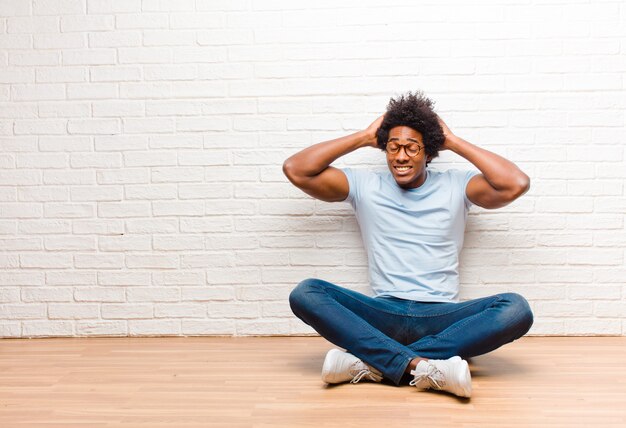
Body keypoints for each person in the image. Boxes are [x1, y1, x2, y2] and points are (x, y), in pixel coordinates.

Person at [282, 91, 533, 398]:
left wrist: (451, 140)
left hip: (441, 318)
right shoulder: (364, 185)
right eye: (393, 147)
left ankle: (373, 361)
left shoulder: (457, 184)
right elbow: (296, 169)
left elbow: (515, 183)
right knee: (306, 293)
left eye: (412, 148)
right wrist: (363, 137)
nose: (401, 157)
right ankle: (422, 366)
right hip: (382, 312)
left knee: (516, 309)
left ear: (429, 151)